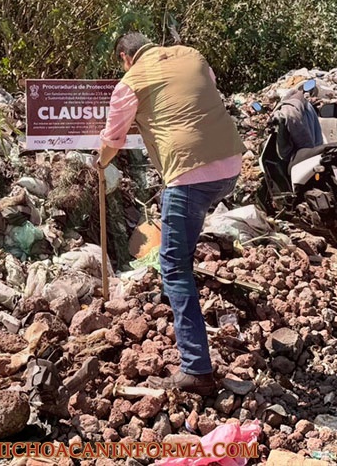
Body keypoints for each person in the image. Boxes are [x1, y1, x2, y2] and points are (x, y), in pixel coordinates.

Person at [97, 32, 245, 396]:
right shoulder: (193, 54)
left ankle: (196, 370)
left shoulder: (130, 81)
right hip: (230, 168)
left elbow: (113, 140)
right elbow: (201, 93)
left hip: (190, 176)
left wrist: (98, 165)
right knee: (184, 249)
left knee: (175, 266)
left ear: (124, 57)